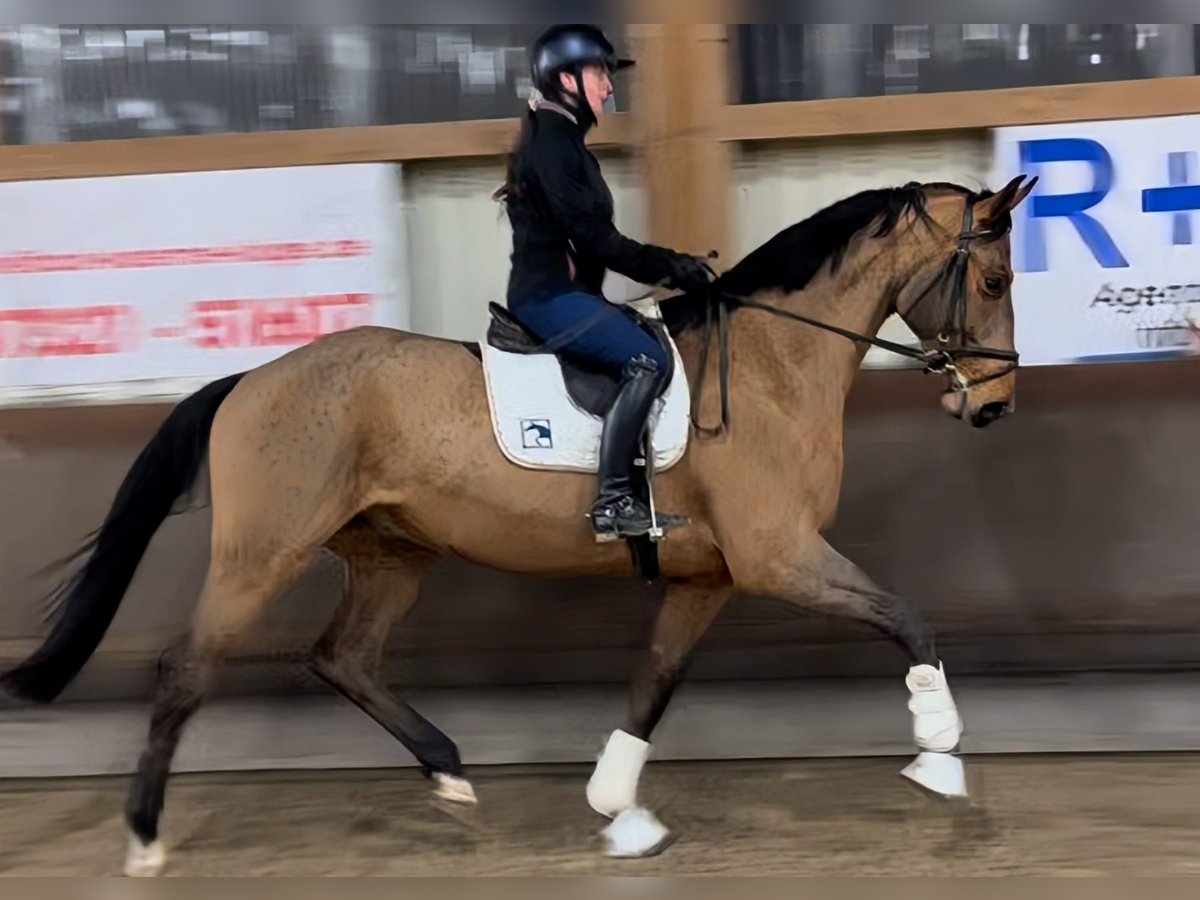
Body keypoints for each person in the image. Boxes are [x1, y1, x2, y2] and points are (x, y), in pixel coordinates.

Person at [494, 24, 715, 540]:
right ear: (565, 79)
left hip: (571, 291)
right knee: (649, 359)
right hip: (549, 298)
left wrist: (668, 270)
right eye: (601, 74)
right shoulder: (553, 144)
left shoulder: (563, 141)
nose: (610, 88)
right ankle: (613, 500)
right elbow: (594, 239)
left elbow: (595, 244)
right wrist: (671, 265)